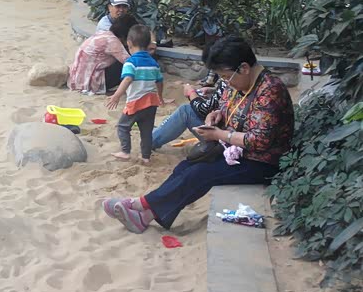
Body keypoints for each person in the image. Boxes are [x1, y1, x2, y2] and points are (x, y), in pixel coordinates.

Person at [102, 36, 294, 233]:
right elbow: (227, 107)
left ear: (244, 68)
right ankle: (145, 215)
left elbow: (260, 140)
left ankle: (139, 205)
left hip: (261, 162)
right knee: (186, 166)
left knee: (201, 173)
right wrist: (216, 115)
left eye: (226, 77)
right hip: (236, 151)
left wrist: (220, 135)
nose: (225, 82)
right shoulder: (241, 83)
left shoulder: (270, 90)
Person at [106, 24, 165, 164]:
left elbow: (127, 79)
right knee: (146, 132)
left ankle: (125, 151)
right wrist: (160, 96)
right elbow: (160, 81)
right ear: (148, 44)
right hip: (152, 103)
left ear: (129, 43)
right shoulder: (154, 63)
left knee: (123, 126)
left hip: (136, 102)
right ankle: (145, 157)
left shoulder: (130, 62)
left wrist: (116, 95)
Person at [152, 45, 228, 149]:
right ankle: (156, 134)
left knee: (186, 111)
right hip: (225, 133)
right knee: (187, 110)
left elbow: (203, 109)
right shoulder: (233, 78)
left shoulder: (228, 79)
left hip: (225, 142)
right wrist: (213, 91)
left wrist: (191, 92)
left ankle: (151, 140)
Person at [68, 13, 138, 95]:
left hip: (79, 79)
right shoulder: (113, 42)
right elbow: (131, 62)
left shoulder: (104, 34)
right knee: (128, 64)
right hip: (91, 83)